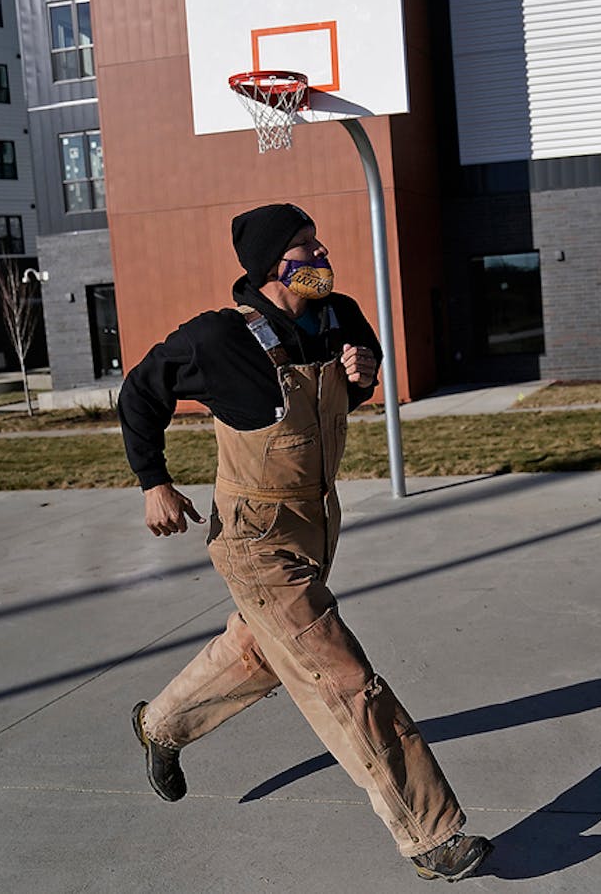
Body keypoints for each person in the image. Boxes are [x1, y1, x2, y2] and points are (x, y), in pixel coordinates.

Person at [117, 203, 491, 883]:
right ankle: (433, 835)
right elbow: (140, 393)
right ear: (271, 267)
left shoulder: (338, 313)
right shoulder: (217, 339)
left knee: (261, 652)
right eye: (304, 246)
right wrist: (154, 483)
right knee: (342, 679)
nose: (321, 255)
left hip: (318, 526)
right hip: (255, 540)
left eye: (318, 241)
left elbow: (357, 390)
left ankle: (160, 726)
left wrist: (363, 373)